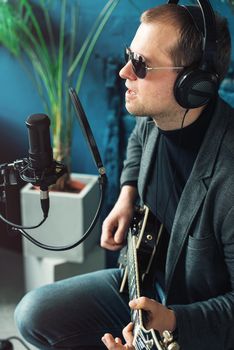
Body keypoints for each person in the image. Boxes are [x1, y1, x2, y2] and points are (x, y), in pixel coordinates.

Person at [14, 2, 233, 350]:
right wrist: (127, 194)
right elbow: (137, 141)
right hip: (141, 281)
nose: (124, 72)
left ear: (195, 85)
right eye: (130, 55)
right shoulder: (156, 115)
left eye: (142, 65)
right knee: (31, 314)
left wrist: (174, 321)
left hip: (194, 318)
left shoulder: (229, 180)